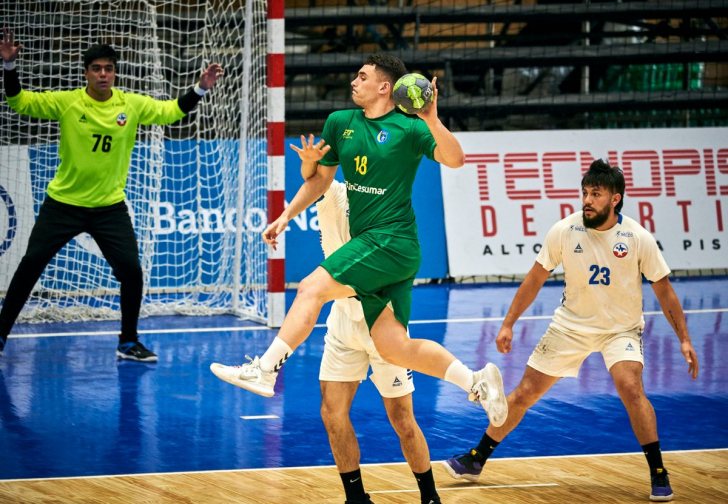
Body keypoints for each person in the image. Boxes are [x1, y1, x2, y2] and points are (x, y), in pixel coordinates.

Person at [210, 54, 508, 428]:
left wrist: (431, 118)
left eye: (362, 76)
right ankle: (476, 381)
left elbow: (456, 159)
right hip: (377, 244)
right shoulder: (341, 122)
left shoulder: (409, 128)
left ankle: (265, 370)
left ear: (385, 87)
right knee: (393, 346)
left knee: (310, 289)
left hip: (391, 239)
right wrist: (286, 216)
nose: (354, 81)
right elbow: (320, 180)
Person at [442, 160, 699, 502]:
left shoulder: (637, 238)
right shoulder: (564, 230)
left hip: (619, 330)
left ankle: (658, 472)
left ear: (615, 199)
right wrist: (508, 324)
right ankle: (476, 459)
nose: (588, 200)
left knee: (631, 388)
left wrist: (683, 338)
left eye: (597, 194)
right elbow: (535, 280)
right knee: (524, 394)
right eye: (585, 193)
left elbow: (664, 292)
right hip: (570, 326)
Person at [0, 28, 223, 362]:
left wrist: (200, 89)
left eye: (108, 68)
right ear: (86, 72)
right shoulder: (68, 102)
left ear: (114, 72)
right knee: (31, 265)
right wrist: (9, 67)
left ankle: (128, 342)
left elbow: (171, 112)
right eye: (96, 69)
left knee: (131, 271)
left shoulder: (129, 105)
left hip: (109, 208)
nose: (103, 74)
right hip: (63, 205)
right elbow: (19, 102)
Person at [316, 171, 440, 503]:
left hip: (382, 322)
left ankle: (429, 497)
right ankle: (356, 498)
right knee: (332, 411)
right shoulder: (334, 195)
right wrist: (312, 164)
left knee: (402, 418)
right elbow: (316, 178)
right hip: (343, 320)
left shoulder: (388, 205)